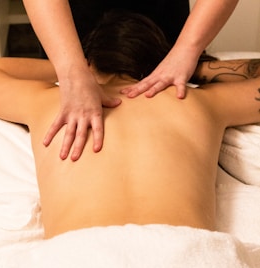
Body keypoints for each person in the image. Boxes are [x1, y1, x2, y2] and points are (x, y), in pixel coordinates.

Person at [0, 11, 260, 268]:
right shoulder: (199, 102)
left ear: (92, 62)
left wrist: (75, 69)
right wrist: (195, 65)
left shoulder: (50, 101)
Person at [22, 0, 239, 161]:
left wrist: (187, 50)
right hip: (70, 26)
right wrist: (71, 71)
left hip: (161, 26)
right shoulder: (199, 104)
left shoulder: (42, 103)